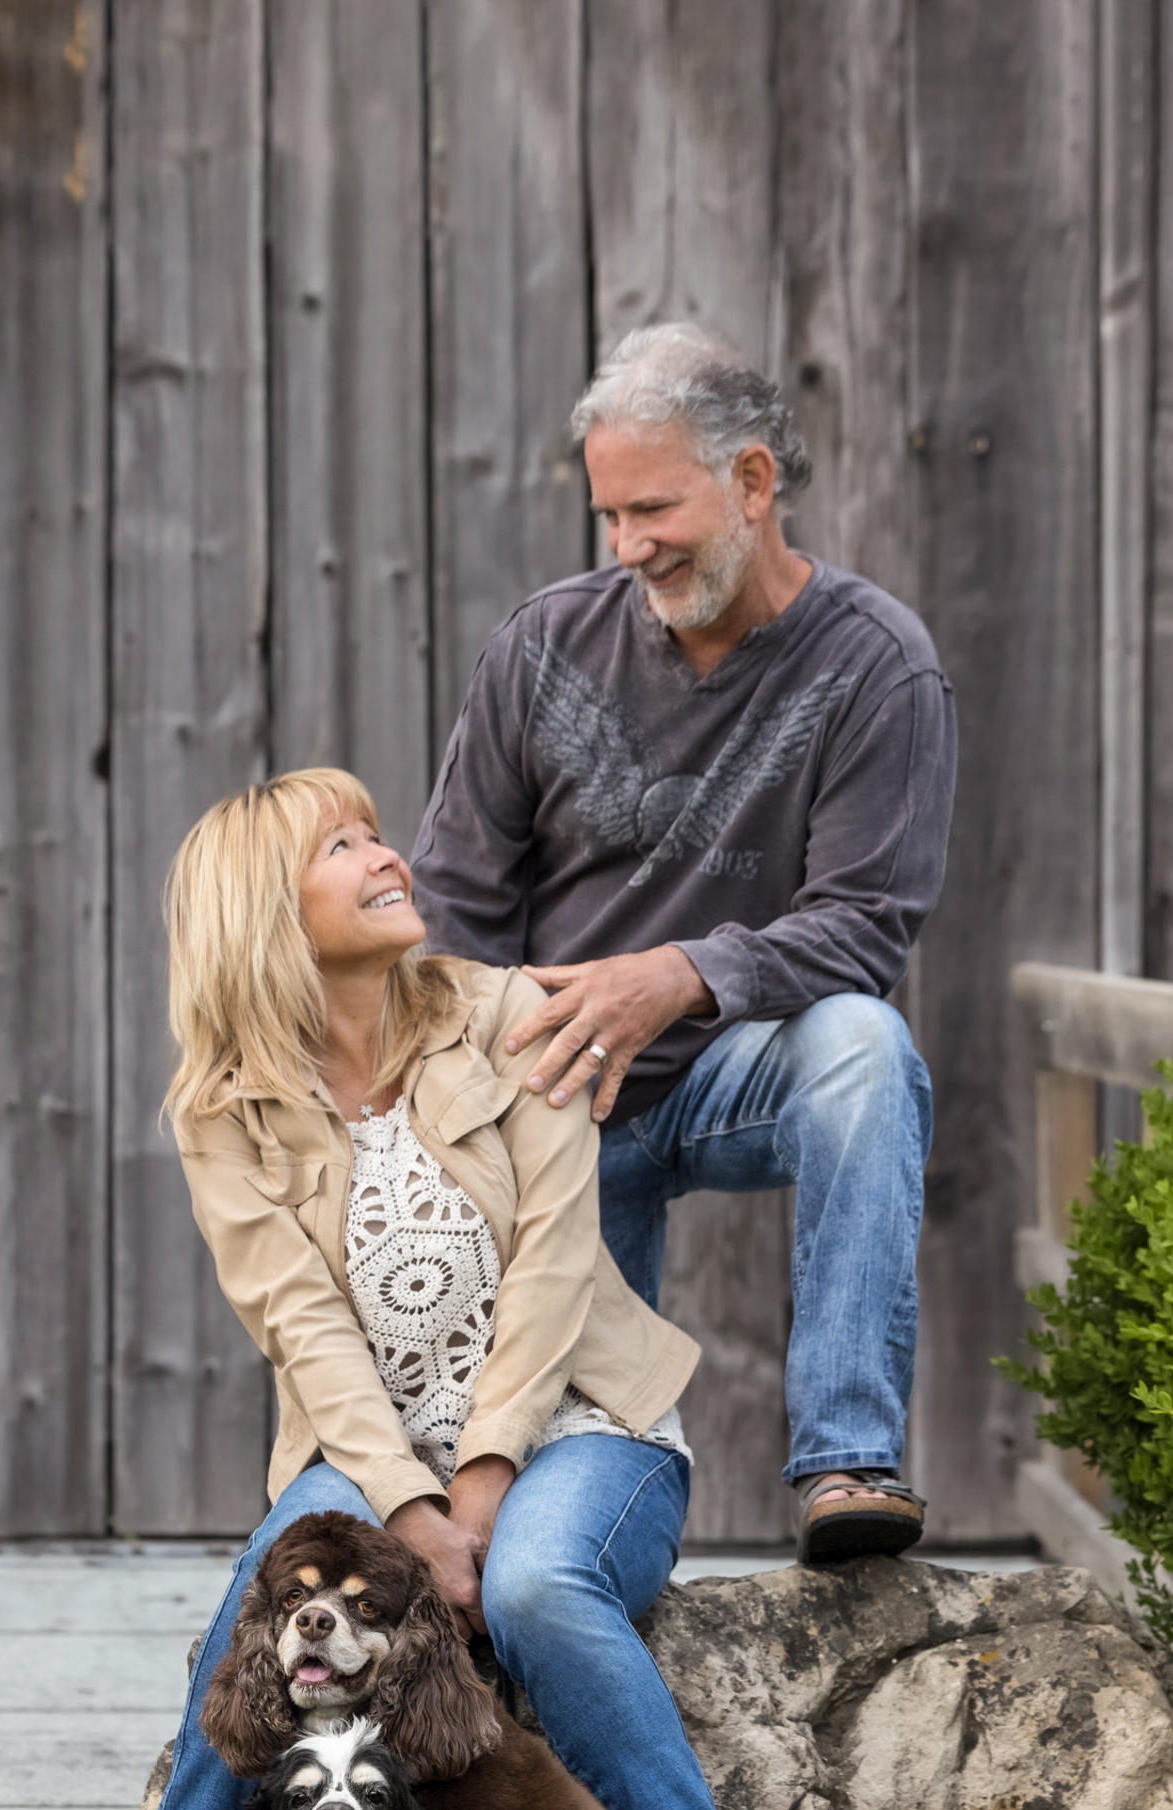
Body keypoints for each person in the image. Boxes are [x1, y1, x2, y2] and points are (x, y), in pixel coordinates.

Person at [151, 767, 819, 1810]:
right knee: (262, 1596)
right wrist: (406, 1508)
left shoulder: (511, 1015)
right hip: (366, 1451)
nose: (385, 855)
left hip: (582, 1422)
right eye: (342, 848)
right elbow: (305, 1330)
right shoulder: (221, 1112)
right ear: (267, 915)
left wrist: (482, 1490)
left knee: (540, 1589)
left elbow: (559, 1264)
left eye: (372, 831)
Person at [409, 322, 957, 1563]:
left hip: (727, 1071)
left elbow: (865, 925)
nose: (627, 545)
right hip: (552, 1090)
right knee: (555, 1480)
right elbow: (452, 909)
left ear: (752, 482)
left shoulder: (879, 669)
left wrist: (683, 975)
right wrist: (497, 1086)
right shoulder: (543, 645)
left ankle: (844, 1463)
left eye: (653, 507)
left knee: (865, 1047)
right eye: (609, 516)